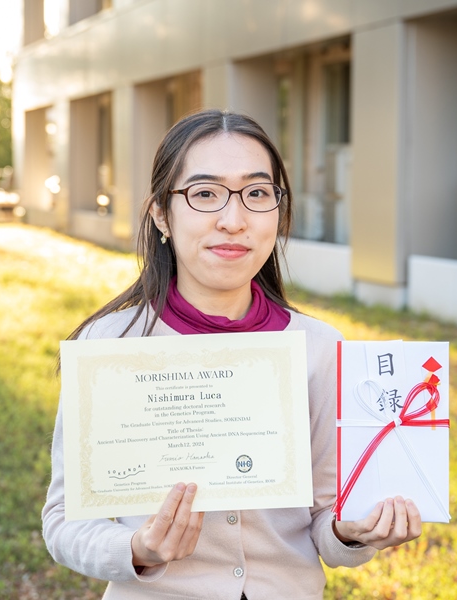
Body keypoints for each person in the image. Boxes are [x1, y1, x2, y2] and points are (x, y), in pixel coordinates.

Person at [42, 109, 422, 599]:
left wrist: (354, 531)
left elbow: (328, 523)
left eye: (257, 194)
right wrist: (137, 547)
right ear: (161, 212)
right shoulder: (108, 346)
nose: (233, 220)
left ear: (279, 212)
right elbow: (65, 522)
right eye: (204, 194)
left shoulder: (321, 348)